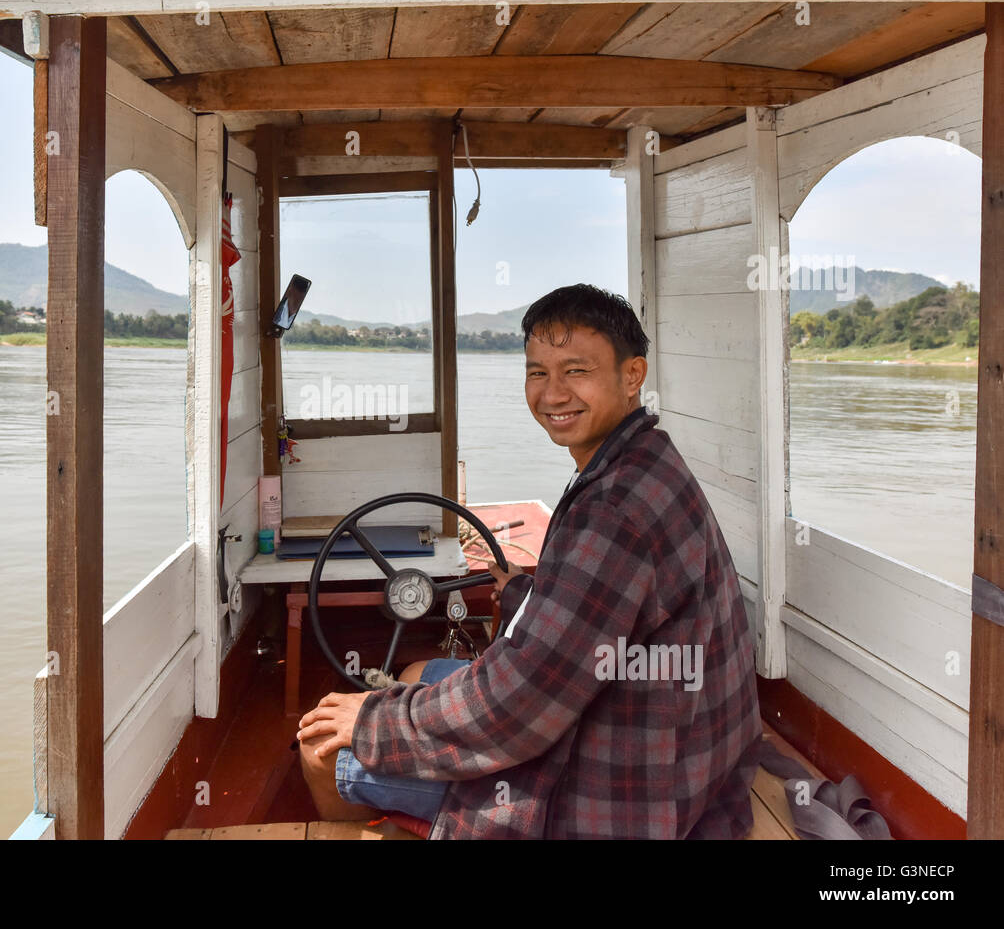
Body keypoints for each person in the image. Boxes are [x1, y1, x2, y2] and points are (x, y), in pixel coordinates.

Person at [296, 283, 763, 838]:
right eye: (538, 372)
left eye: (577, 371)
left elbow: (518, 707)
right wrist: (522, 593)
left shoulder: (613, 511)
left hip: (617, 789)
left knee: (322, 744)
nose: (553, 393)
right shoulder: (644, 462)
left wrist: (373, 722)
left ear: (632, 375)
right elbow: (596, 621)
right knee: (417, 673)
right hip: (673, 746)